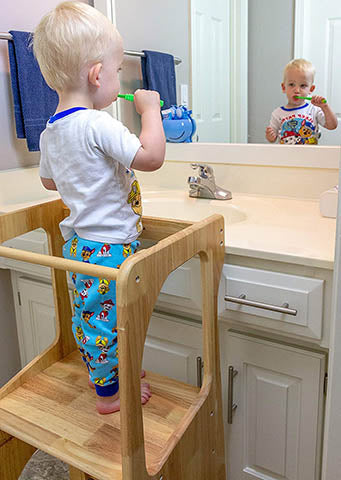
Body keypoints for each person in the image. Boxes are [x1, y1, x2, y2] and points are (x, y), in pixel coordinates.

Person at [33, 1, 165, 414]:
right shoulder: (97, 123)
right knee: (105, 323)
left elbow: (50, 181)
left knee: (94, 318)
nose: (119, 79)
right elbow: (150, 157)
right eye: (117, 71)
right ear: (96, 75)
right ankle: (108, 395)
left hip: (80, 244)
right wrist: (150, 111)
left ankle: (115, 370)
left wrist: (86, 177)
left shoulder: (52, 130)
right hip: (107, 247)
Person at [266, 58, 337, 144]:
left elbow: (332, 126)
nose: (297, 90)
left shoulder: (314, 110)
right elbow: (272, 139)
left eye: (303, 86)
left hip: (310, 155)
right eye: (291, 84)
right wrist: (270, 136)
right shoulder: (277, 113)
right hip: (285, 156)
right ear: (284, 88)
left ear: (311, 89)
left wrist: (325, 107)